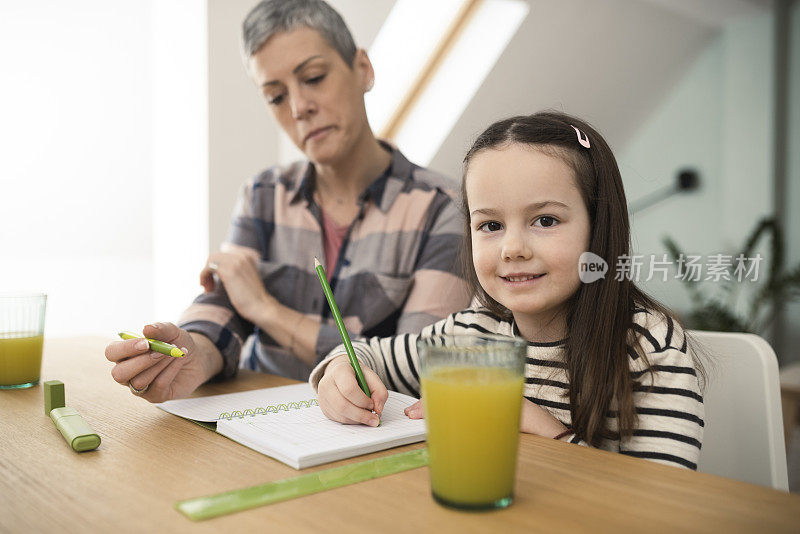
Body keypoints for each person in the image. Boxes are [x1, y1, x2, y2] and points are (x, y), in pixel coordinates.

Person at [104, 0, 470, 401]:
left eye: (313, 77)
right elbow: (224, 307)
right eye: (276, 97)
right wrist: (192, 353)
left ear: (362, 69)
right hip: (262, 425)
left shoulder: (445, 208)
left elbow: (419, 363)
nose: (299, 107)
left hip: (374, 436)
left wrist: (265, 309)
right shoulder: (263, 194)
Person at [312, 111, 705, 470]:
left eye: (545, 220)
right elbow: (363, 352)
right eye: (490, 225)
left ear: (597, 226)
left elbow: (659, 505)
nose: (512, 248)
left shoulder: (649, 349)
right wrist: (342, 373)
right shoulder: (470, 333)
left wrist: (540, 425)